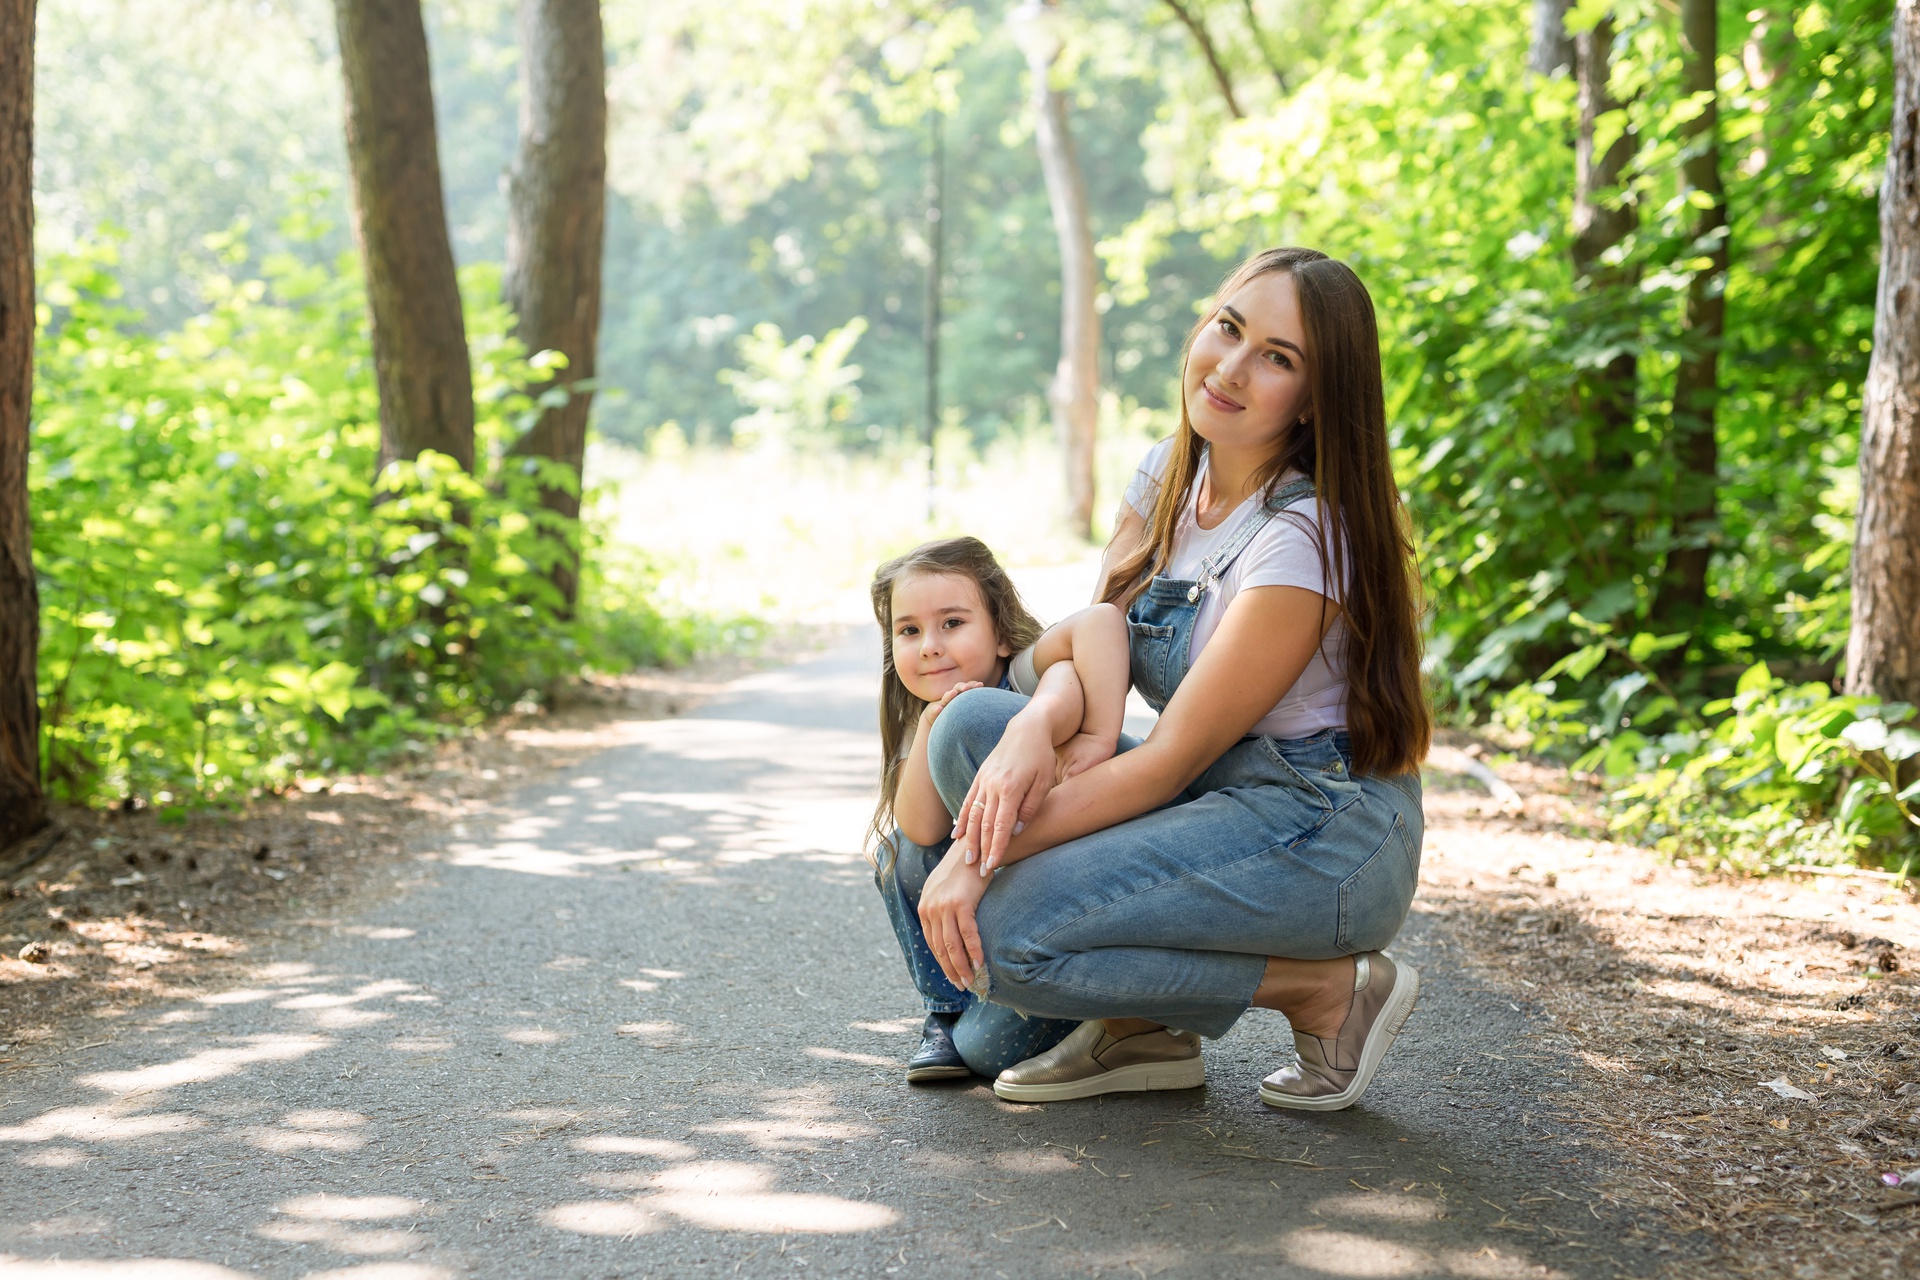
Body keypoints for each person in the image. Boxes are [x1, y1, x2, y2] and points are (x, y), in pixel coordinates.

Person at [916, 247, 1432, 1110]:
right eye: (1229, 328)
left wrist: (973, 857)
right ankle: (1146, 1031)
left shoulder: (1302, 538)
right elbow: (1092, 645)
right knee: (975, 725)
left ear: (1315, 400)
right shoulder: (1168, 474)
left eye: (1277, 357)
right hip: (1215, 795)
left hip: (1323, 829)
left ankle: (1327, 993)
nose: (1230, 368)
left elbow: (1165, 763)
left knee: (1007, 937)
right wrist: (1038, 727)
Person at [867, 536, 1135, 1081]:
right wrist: (930, 723)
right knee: (898, 852)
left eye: (952, 623)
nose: (929, 647)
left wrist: (1096, 735)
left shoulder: (1028, 676)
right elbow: (920, 831)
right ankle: (947, 1011)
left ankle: (1115, 1015)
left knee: (986, 1054)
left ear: (1002, 634)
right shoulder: (929, 716)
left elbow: (1100, 622)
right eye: (909, 631)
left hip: (1073, 904)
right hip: (1011, 912)